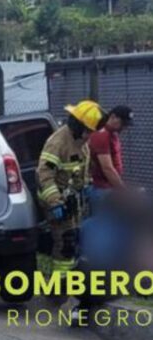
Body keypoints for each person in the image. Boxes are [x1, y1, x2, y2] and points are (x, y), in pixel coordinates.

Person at [36, 100, 104, 276]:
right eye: (88, 131)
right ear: (78, 125)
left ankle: (66, 277)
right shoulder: (58, 143)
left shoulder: (80, 141)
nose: (90, 135)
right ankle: (59, 283)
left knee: (75, 237)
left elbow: (81, 168)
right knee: (66, 240)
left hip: (71, 199)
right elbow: (44, 174)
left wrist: (86, 186)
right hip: (56, 200)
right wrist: (55, 202)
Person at [88, 105, 133, 209]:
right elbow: (107, 168)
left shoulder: (112, 134)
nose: (124, 128)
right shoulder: (102, 136)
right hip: (102, 189)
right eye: (123, 123)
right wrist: (123, 191)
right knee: (103, 222)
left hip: (109, 187)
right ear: (113, 117)